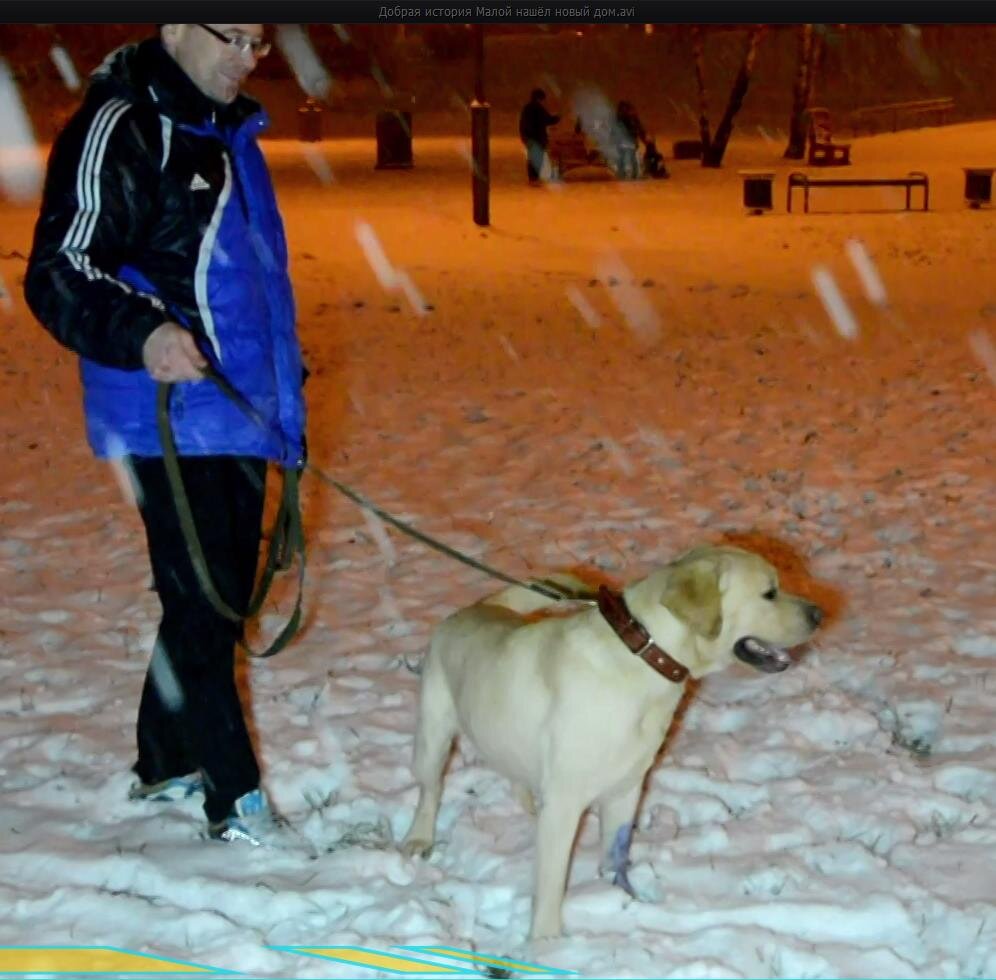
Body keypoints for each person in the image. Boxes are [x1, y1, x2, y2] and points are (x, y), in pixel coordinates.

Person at [24, 25, 307, 849]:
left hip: (241, 411)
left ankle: (164, 759)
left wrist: (284, 393)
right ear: (178, 25)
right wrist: (145, 334)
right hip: (163, 413)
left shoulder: (230, 134)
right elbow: (61, 268)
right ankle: (235, 798)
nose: (248, 57)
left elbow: (247, 280)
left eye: (261, 41)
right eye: (233, 36)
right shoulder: (121, 124)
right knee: (203, 601)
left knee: (210, 598)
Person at [518, 87, 560, 185]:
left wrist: (525, 136)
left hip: (528, 137)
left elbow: (523, 123)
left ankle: (533, 178)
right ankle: (534, 178)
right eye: (543, 99)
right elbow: (548, 120)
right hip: (536, 137)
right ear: (539, 98)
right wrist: (558, 117)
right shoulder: (538, 108)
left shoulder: (527, 108)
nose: (544, 101)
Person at [614, 99, 649, 180]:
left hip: (629, 143)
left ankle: (633, 174)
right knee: (627, 159)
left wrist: (644, 140)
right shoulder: (619, 119)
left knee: (632, 159)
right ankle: (628, 174)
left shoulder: (632, 118)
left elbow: (639, 129)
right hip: (623, 144)